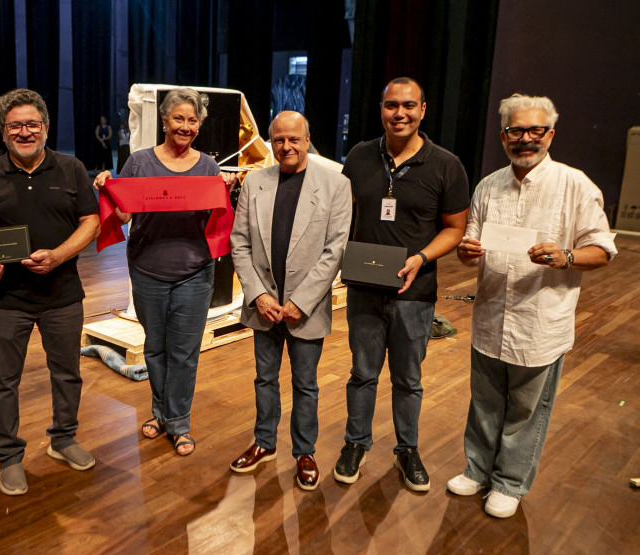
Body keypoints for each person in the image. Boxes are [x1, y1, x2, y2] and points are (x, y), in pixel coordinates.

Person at [448, 94, 616, 518]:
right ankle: (478, 469)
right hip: (489, 314)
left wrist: (567, 257)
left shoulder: (574, 184)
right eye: (516, 131)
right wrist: (467, 253)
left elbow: (603, 248)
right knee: (484, 401)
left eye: (535, 130)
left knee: (527, 409)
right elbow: (469, 244)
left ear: (550, 134)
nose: (525, 139)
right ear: (503, 136)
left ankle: (509, 482)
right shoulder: (488, 185)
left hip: (541, 321)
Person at [334, 77, 470, 492]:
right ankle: (355, 444)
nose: (400, 113)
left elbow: (455, 229)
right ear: (381, 109)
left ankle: (407, 450)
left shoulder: (446, 165)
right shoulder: (359, 156)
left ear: (423, 110)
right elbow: (342, 214)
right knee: (362, 374)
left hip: (416, 294)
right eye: (392, 105)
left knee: (408, 379)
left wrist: (421, 258)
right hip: (364, 290)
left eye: (409, 105)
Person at [93, 87, 235, 456]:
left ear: (199, 125)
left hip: (194, 272)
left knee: (184, 352)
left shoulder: (208, 167)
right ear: (165, 121)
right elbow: (124, 216)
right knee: (155, 349)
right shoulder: (139, 162)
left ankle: (179, 421)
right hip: (147, 271)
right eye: (178, 119)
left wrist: (226, 192)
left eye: (192, 121)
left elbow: (212, 219)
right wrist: (106, 189)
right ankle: (160, 412)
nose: (185, 127)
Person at [0, 89, 100, 496]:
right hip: (7, 299)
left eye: (32, 124)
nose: (25, 132)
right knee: (3, 381)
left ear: (46, 128)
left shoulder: (72, 168)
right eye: (16, 125)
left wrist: (60, 256)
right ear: (3, 131)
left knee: (67, 373)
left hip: (63, 293)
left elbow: (91, 222)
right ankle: (9, 457)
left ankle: (63, 439)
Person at [228, 111, 352, 490]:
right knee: (264, 379)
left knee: (305, 383)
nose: (287, 146)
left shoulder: (335, 185)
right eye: (279, 140)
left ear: (308, 138)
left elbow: (335, 250)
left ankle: (304, 452)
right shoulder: (254, 184)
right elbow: (239, 242)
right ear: (271, 142)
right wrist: (258, 294)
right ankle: (264, 443)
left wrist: (302, 301)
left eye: (294, 139)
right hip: (264, 306)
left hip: (305, 310)